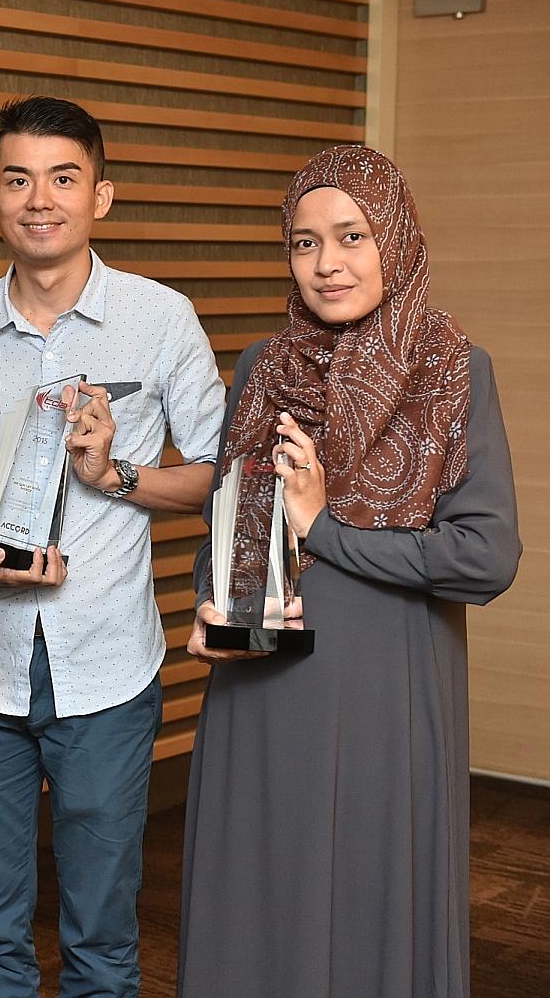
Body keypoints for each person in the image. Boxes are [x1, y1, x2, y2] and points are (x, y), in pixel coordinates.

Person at [178, 145, 520, 998]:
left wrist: (326, 529)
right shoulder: (263, 366)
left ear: (394, 240)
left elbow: (484, 557)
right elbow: (231, 512)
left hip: (386, 692)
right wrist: (211, 601)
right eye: (305, 243)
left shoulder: (453, 368)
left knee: (369, 899)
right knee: (257, 901)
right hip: (261, 685)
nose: (327, 263)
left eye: (352, 236)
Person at [0, 95, 225, 998]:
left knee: (102, 939)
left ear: (102, 195)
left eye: (64, 178)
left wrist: (116, 475)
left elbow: (216, 473)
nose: (40, 200)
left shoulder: (160, 317)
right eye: (18, 180)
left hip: (106, 663)